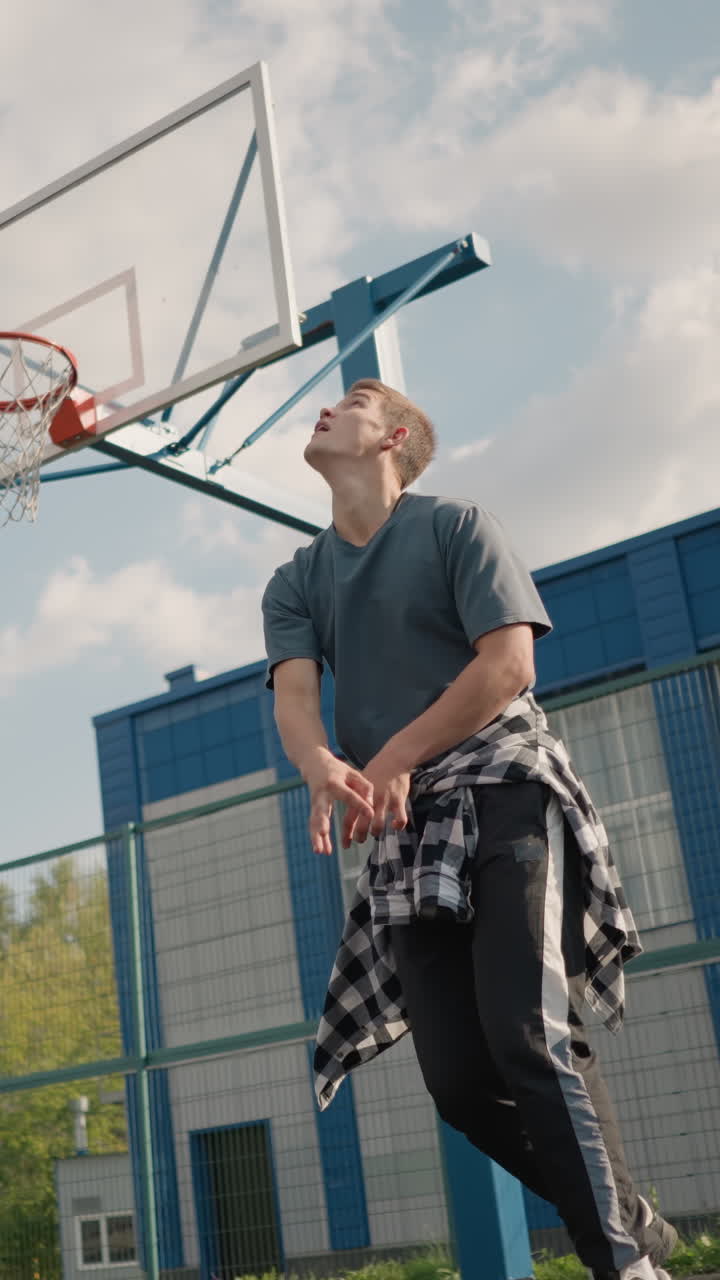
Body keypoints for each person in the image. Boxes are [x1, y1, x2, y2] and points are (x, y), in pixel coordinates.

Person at [261, 379, 677, 1280]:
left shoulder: (457, 527)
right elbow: (297, 697)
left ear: (395, 437)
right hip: (406, 817)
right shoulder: (296, 581)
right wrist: (319, 765)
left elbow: (508, 665)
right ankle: (632, 1218)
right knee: (457, 1082)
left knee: (527, 1034)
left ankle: (625, 1265)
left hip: (503, 787)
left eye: (356, 400)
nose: (328, 408)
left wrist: (394, 755)